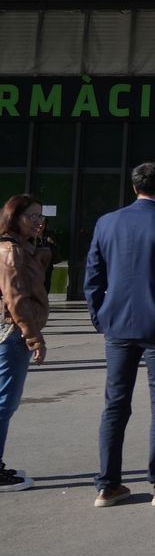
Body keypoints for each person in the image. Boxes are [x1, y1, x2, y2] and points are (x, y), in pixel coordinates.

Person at [82, 162, 155, 508]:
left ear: (135, 188)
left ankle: (108, 486)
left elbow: (93, 276)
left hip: (117, 326)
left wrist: (99, 317)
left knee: (115, 405)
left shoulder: (106, 223)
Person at [0, 194, 54, 492]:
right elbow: (16, 299)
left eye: (40, 217)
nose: (38, 222)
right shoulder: (11, 251)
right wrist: (34, 337)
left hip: (13, 331)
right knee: (4, 402)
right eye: (32, 216)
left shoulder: (23, 249)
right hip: (13, 333)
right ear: (14, 217)